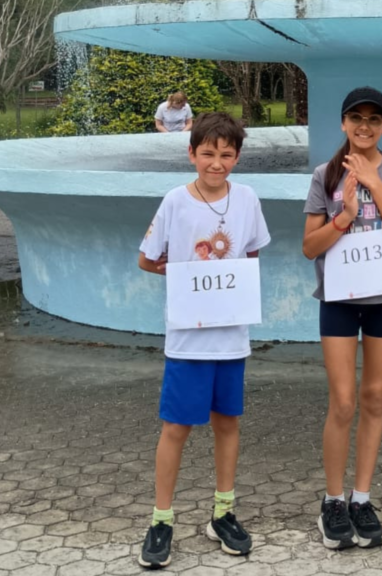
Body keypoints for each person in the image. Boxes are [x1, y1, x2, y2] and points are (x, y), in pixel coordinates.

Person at [136, 112, 271, 568]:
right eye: (208, 153)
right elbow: (146, 258)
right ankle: (161, 519)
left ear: (237, 157)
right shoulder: (175, 202)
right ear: (191, 153)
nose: (217, 163)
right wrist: (179, 277)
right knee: (176, 427)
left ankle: (223, 513)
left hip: (230, 337)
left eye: (226, 155)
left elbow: (250, 255)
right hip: (188, 340)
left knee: (227, 422)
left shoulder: (247, 199)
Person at [301, 87, 382, 549]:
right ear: (343, 123)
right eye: (356, 118)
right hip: (339, 299)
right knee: (344, 401)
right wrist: (345, 215)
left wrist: (373, 182)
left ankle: (362, 498)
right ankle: (333, 500)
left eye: (373, 119)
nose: (364, 126)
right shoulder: (325, 174)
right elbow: (309, 246)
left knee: (373, 397)